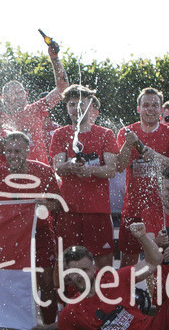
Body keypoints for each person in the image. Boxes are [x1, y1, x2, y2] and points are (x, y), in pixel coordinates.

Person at [0, 131, 64, 330]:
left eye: (18, 151)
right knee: (5, 281)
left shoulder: (43, 171)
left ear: (27, 151)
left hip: (39, 233)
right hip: (8, 237)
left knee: (46, 280)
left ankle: (48, 329)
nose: (13, 155)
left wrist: (44, 203)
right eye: (9, 151)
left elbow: (59, 205)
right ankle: (2, 328)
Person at [115, 87, 169, 267]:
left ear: (161, 110)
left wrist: (156, 156)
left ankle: (155, 296)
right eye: (145, 105)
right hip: (133, 207)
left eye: (155, 105)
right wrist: (127, 145)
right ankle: (128, 295)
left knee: (158, 262)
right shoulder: (127, 132)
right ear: (138, 108)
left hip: (160, 209)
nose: (150, 109)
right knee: (128, 263)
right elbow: (118, 166)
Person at [50, 85, 119, 269]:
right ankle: (69, 298)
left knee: (103, 262)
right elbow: (58, 168)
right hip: (69, 210)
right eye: (72, 104)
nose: (77, 108)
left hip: (97, 210)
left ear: (91, 105)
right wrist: (71, 166)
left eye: (82, 103)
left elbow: (111, 169)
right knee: (67, 261)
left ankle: (103, 297)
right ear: (66, 107)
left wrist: (89, 170)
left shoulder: (105, 134)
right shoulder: (60, 134)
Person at [1, 32, 70, 162]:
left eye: (21, 92)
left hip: (40, 172)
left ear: (26, 94)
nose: (18, 96)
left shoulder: (35, 110)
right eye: (13, 93)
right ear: (4, 97)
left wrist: (54, 57)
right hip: (12, 175)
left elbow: (63, 88)